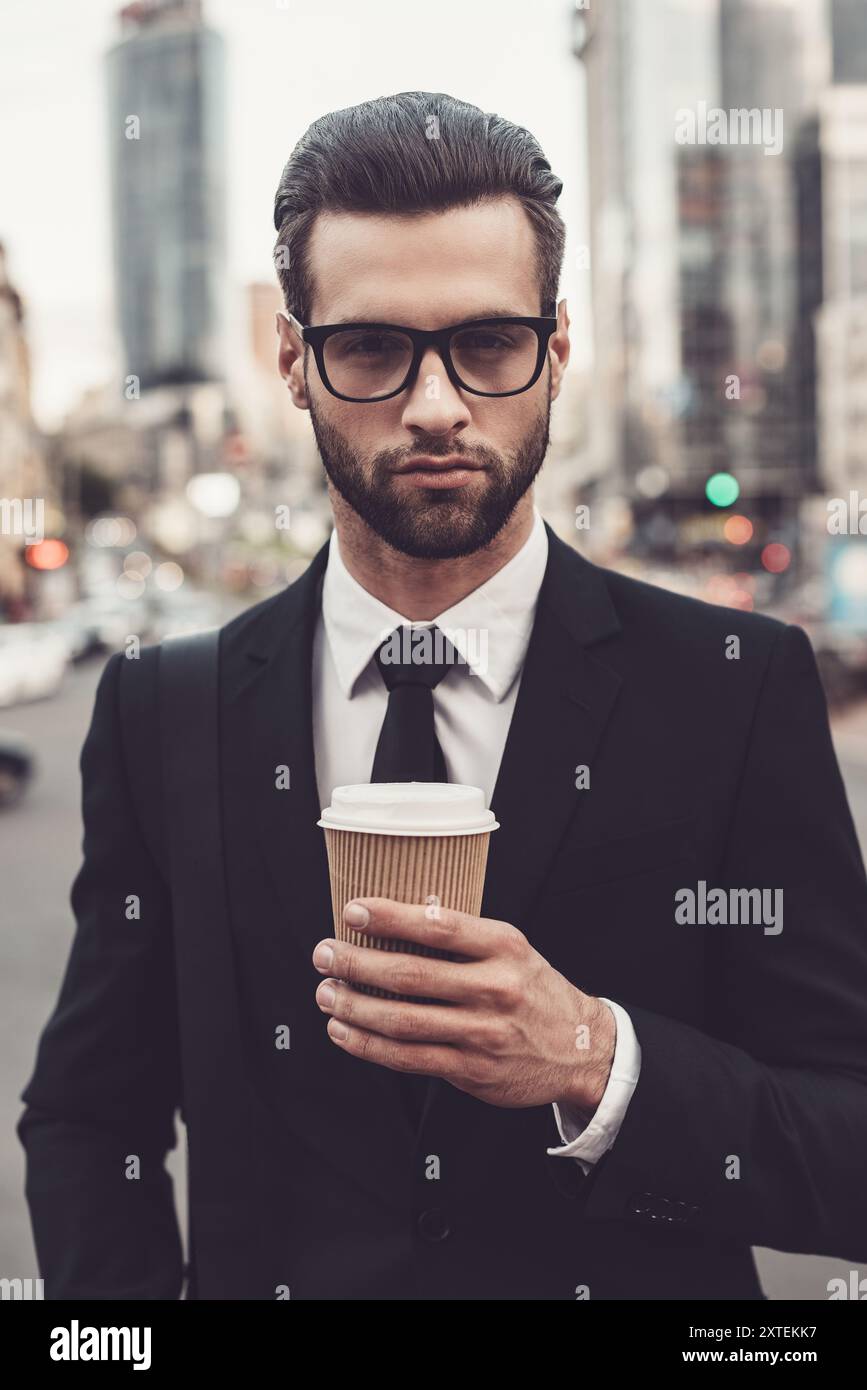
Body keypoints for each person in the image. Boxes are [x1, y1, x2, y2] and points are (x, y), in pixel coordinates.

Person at [19, 91, 867, 1301]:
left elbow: (850, 1148)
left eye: (488, 342)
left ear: (557, 351)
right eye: (370, 347)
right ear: (292, 364)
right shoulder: (162, 709)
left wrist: (593, 1056)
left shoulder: (735, 690)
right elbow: (88, 1117)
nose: (434, 405)